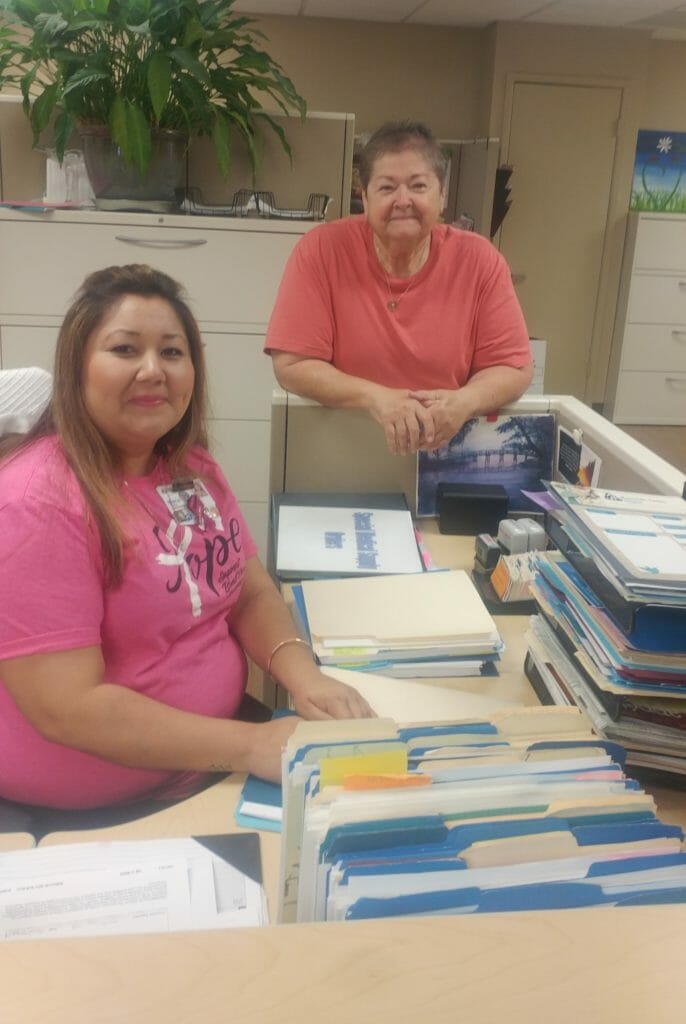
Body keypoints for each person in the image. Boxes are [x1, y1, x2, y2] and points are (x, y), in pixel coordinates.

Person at [0, 265, 372, 811]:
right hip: (113, 809)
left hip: (217, 757)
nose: (154, 370)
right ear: (76, 366)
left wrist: (304, 678)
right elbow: (67, 708)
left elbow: (248, 590)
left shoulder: (187, 466)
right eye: (125, 350)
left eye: (172, 353)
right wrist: (252, 745)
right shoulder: (35, 501)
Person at [265, 120, 533, 457]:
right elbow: (292, 364)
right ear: (364, 196)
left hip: (446, 451)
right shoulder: (321, 250)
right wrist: (377, 398)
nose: (403, 200)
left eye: (418, 186)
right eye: (387, 188)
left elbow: (514, 367)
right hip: (339, 447)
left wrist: (466, 400)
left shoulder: (480, 260)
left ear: (443, 193)